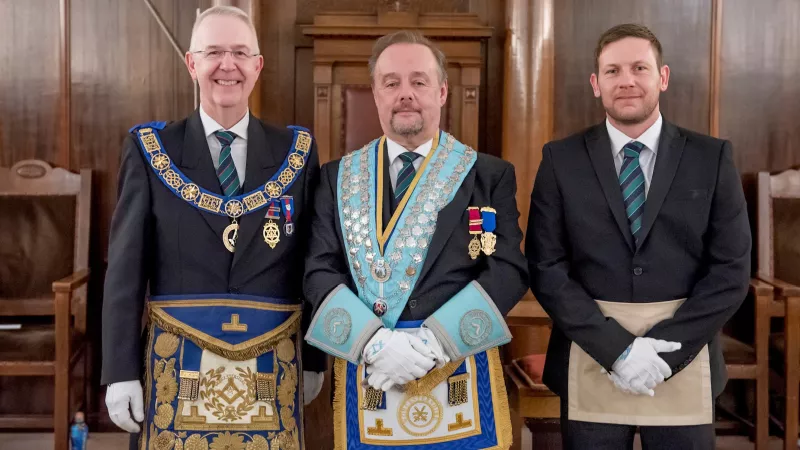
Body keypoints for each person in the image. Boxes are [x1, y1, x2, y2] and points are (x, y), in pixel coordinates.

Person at [100, 6, 325, 449]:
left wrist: (314, 358)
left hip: (272, 367)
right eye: (214, 52)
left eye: (241, 53)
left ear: (258, 66)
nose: (228, 65)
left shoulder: (296, 152)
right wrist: (120, 371)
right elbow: (125, 268)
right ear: (192, 63)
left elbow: (310, 262)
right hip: (176, 367)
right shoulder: (151, 150)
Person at [527, 23, 751, 449]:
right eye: (612, 71)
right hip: (591, 358)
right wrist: (618, 351)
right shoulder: (561, 159)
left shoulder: (712, 157)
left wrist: (664, 354)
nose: (626, 80)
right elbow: (546, 266)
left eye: (639, 68)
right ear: (596, 84)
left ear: (662, 77)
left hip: (684, 362)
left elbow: (731, 270)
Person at [303, 30, 528, 449]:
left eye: (418, 81)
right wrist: (375, 342)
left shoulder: (488, 175)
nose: (405, 94)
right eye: (391, 83)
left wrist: (433, 343)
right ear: (376, 94)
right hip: (372, 366)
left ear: (442, 92)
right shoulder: (337, 178)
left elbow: (509, 271)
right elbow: (318, 270)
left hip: (454, 363)